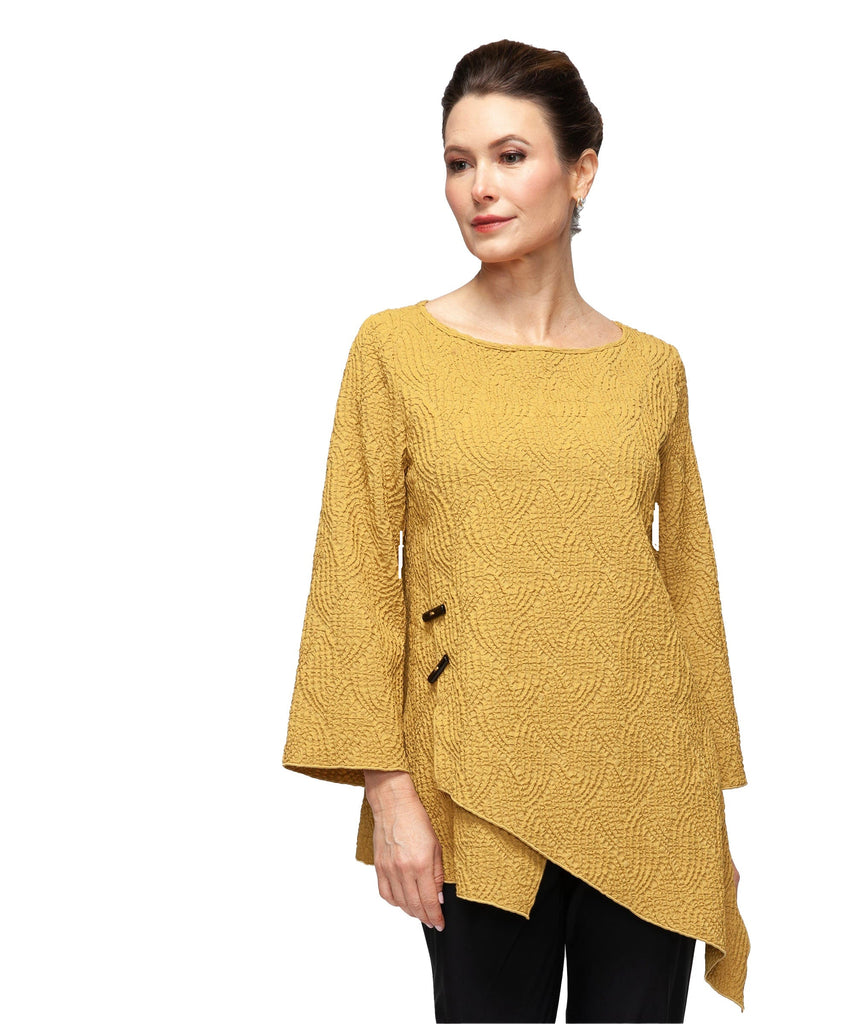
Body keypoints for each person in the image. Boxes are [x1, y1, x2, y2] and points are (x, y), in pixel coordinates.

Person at [281, 38, 750, 1023]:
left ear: (581, 171)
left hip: (646, 788)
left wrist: (708, 805)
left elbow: (686, 586)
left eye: (509, 156)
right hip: (473, 786)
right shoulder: (393, 350)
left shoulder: (652, 370)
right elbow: (354, 575)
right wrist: (388, 792)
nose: (479, 188)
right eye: (459, 162)